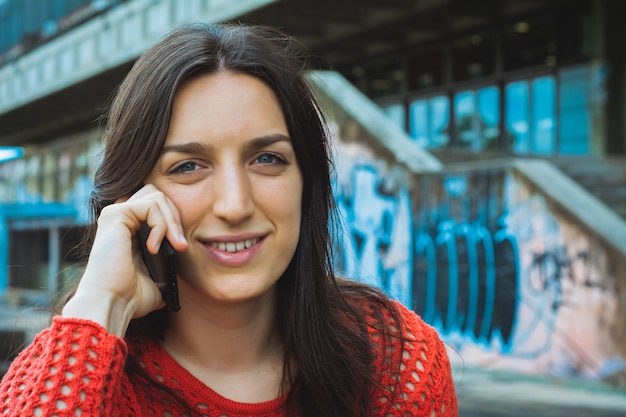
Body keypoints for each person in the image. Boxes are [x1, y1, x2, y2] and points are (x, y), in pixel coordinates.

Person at [0, 23, 458, 417]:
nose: (235, 205)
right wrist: (100, 306)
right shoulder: (71, 371)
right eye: (188, 166)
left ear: (308, 182)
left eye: (266, 158)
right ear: (133, 197)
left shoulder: (393, 360)